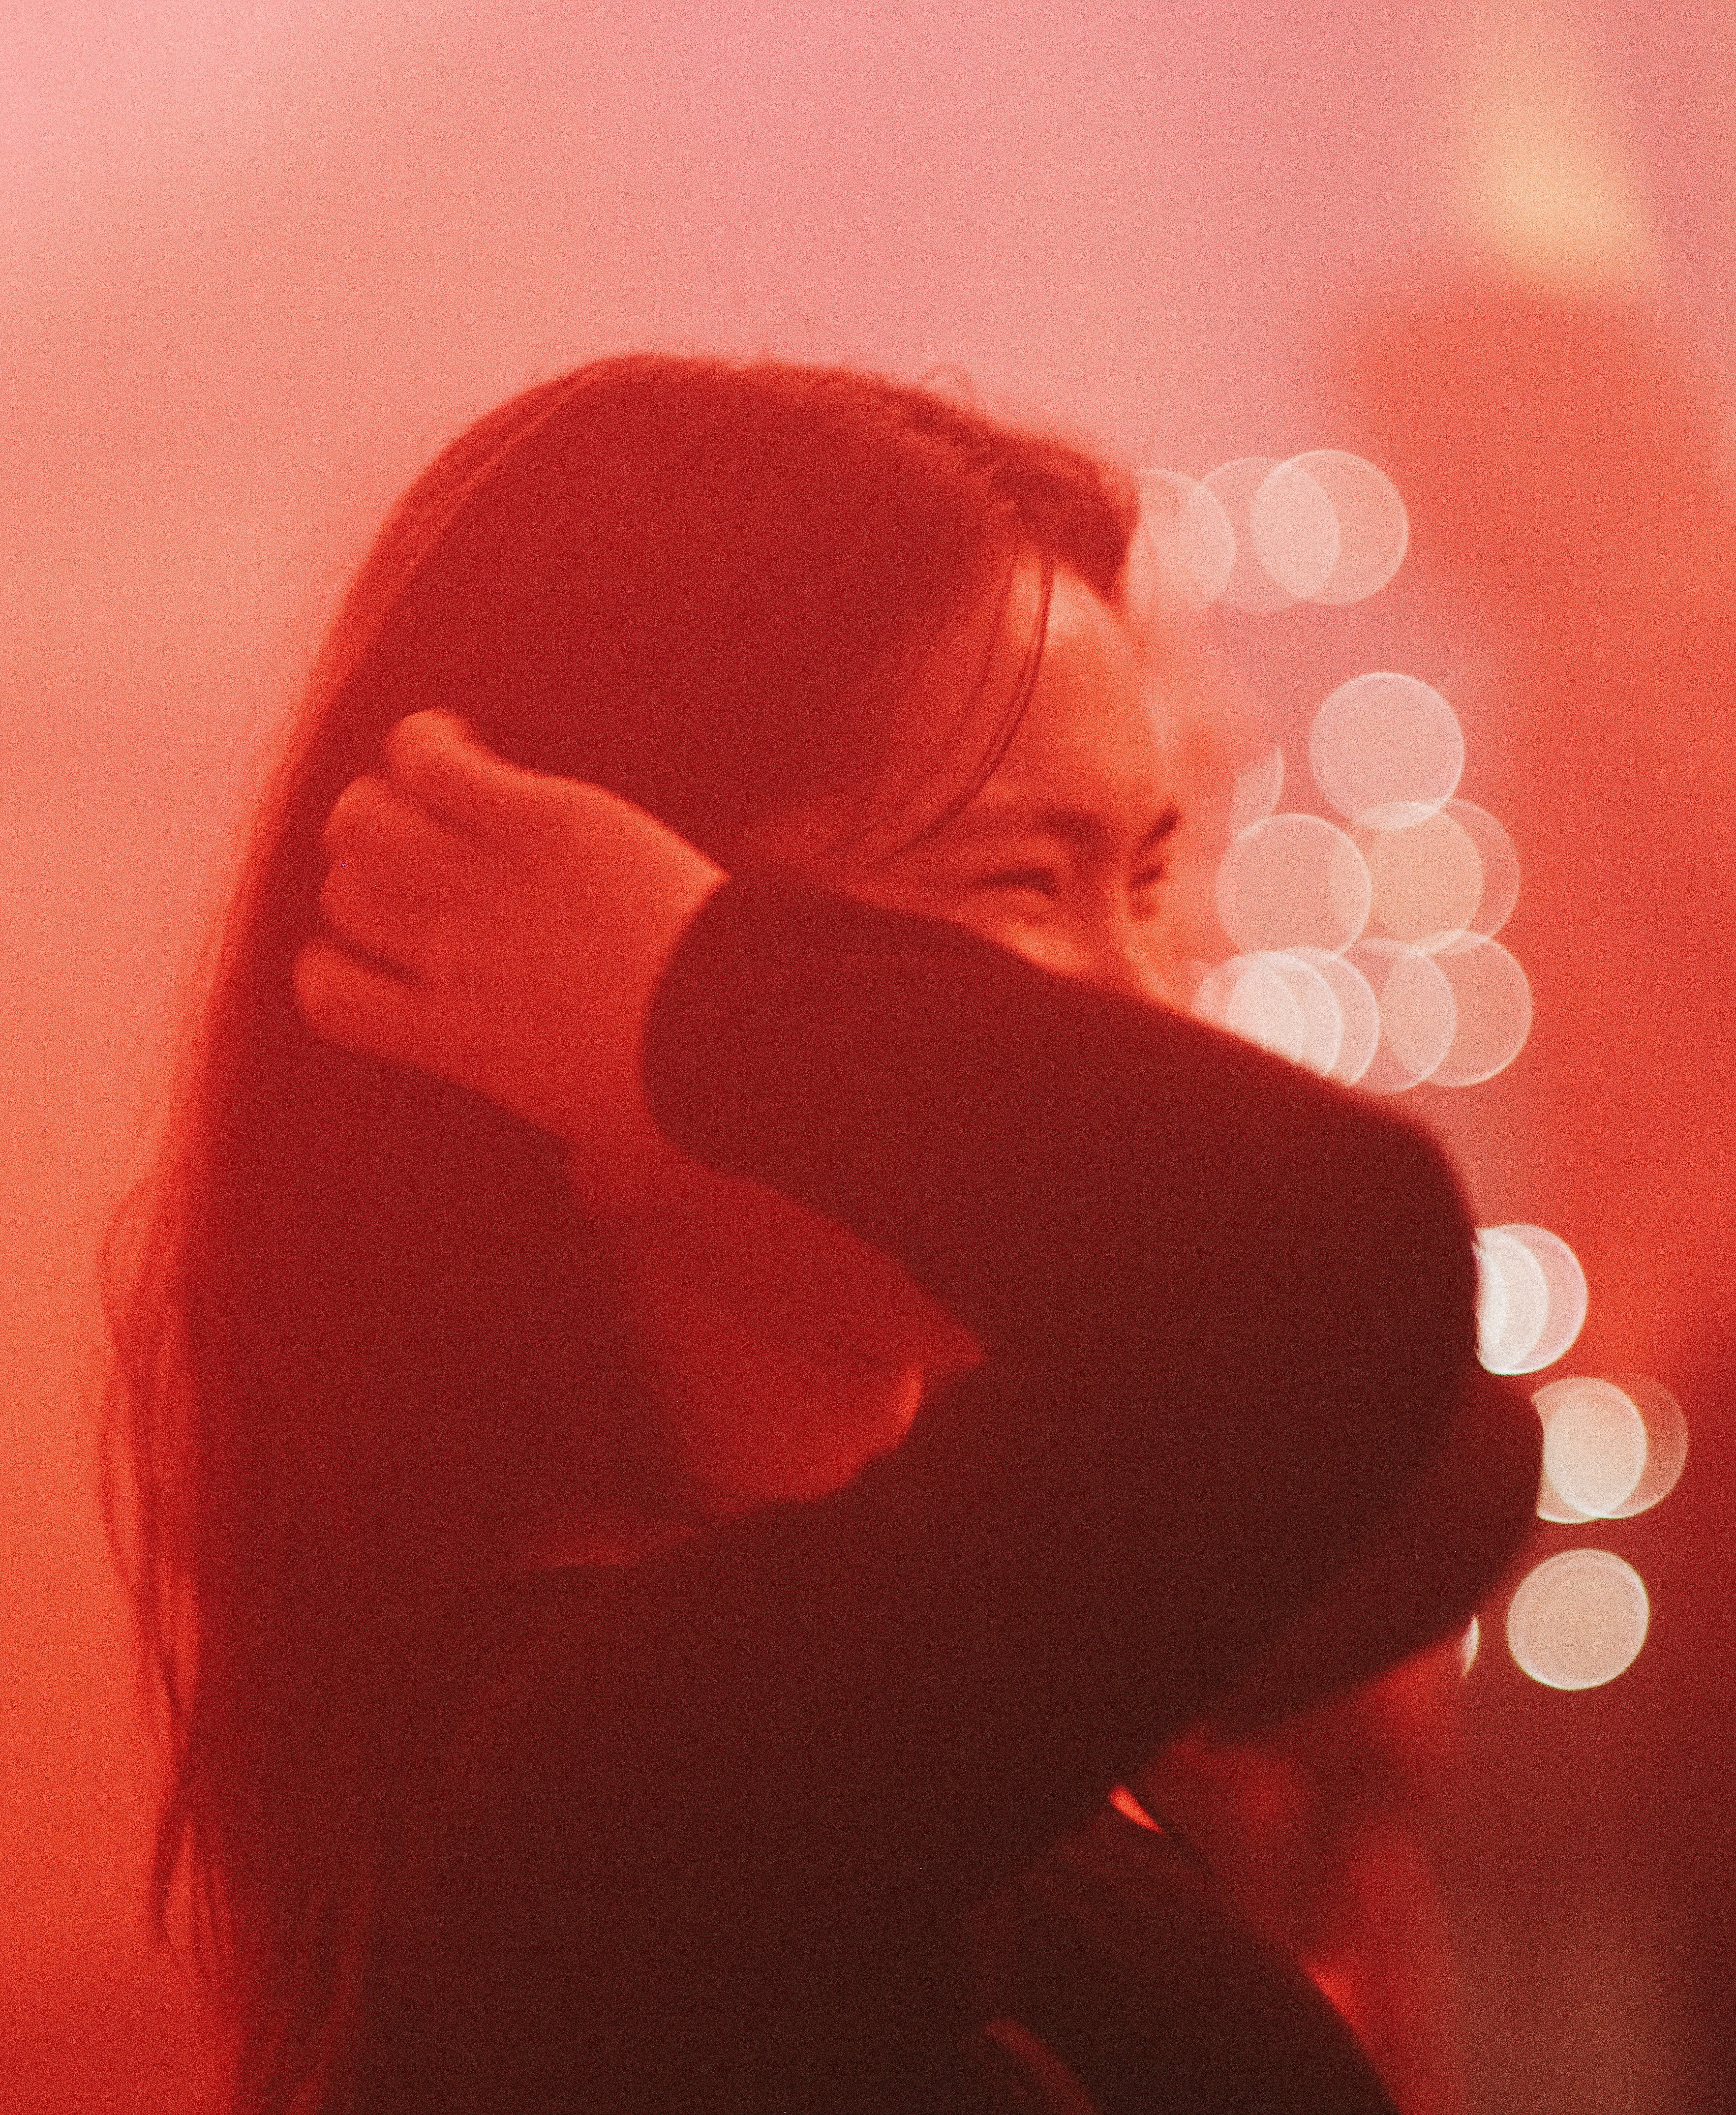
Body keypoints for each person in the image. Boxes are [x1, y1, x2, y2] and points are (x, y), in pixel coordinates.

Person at [109, 353, 1537, 2113]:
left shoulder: (940, 1606)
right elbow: (1330, 1281)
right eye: (1021, 885)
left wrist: (706, 1008)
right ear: (562, 994)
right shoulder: (608, 1774)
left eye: (1150, 880)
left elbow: (1442, 1447)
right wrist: (693, 1013)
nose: (1144, 1002)